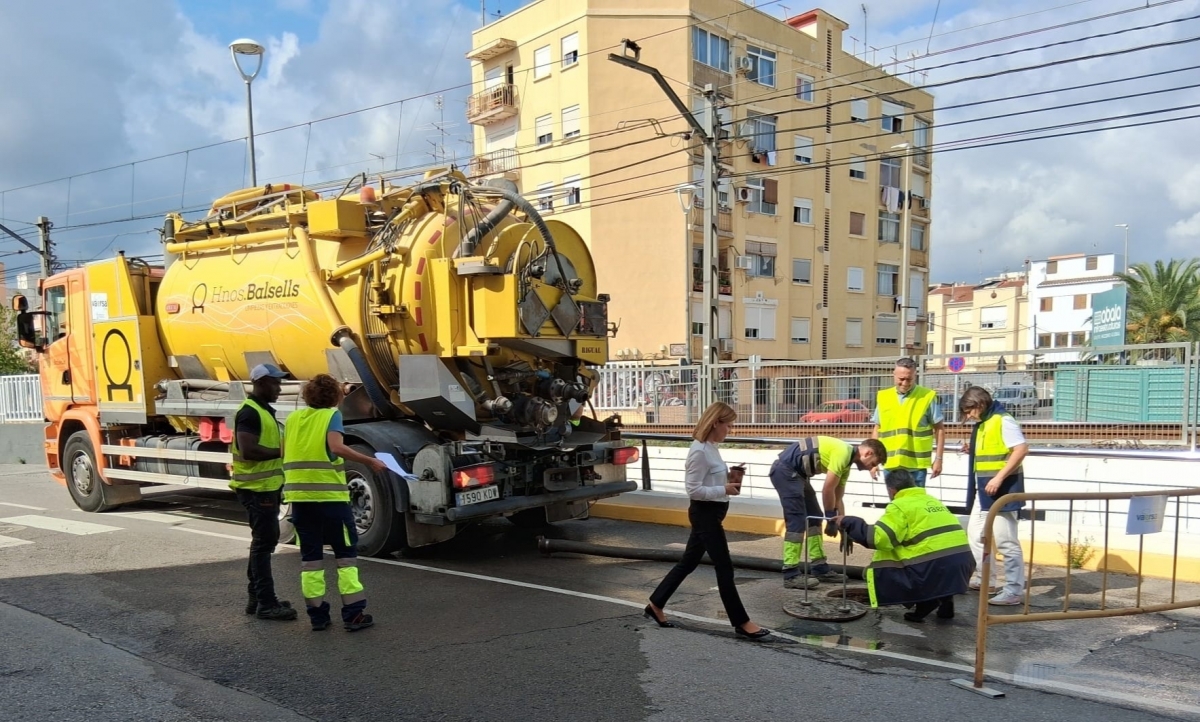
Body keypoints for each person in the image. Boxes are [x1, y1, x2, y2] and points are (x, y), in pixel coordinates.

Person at [645, 402, 771, 641]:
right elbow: (693, 490)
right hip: (705, 515)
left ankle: (655, 604)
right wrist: (723, 488)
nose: (731, 430)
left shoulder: (712, 447)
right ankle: (741, 622)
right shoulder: (699, 451)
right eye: (728, 425)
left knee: (688, 563)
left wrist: (729, 478)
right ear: (715, 423)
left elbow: (708, 481)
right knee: (724, 566)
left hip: (713, 513)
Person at [282, 374, 388, 631]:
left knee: (311, 561)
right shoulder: (331, 415)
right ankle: (353, 615)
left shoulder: (293, 419)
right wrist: (370, 461)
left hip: (300, 501)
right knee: (345, 557)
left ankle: (317, 617)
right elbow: (336, 447)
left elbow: (284, 452)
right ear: (336, 397)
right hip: (330, 501)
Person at [834, 468, 975, 622]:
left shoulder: (899, 505)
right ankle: (945, 600)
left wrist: (850, 522)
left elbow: (880, 539)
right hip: (963, 563)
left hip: (935, 568)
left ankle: (927, 601)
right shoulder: (932, 500)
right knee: (928, 552)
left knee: (889, 559)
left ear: (891, 490)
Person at [768, 436, 887, 588]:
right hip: (786, 471)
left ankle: (819, 568)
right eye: (873, 464)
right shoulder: (843, 453)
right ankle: (791, 574)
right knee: (797, 520)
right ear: (868, 453)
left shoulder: (846, 465)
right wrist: (831, 518)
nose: (871, 468)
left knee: (814, 518)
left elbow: (838, 498)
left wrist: (843, 527)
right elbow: (827, 490)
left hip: (797, 474)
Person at [231, 363, 297, 621]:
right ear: (259, 383)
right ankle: (266, 604)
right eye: (274, 383)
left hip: (264, 488)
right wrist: (284, 451)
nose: (279, 388)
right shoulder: (250, 412)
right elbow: (248, 450)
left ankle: (257, 599)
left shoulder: (262, 411)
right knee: (263, 545)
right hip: (257, 490)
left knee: (263, 543)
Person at [960, 385, 1029, 606]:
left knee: (1006, 540)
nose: (969, 416)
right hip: (985, 491)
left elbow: (1021, 449)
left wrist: (998, 478)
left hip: (1002, 491)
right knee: (976, 535)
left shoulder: (1003, 420)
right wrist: (971, 450)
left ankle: (1013, 590)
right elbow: (993, 451)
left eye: (970, 411)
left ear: (980, 404)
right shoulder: (985, 422)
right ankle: (986, 579)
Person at [871, 357, 945, 488]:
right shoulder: (884, 397)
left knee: (915, 500)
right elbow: (877, 429)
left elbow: (939, 429)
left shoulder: (927, 396)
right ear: (894, 375)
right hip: (890, 465)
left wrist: (939, 459)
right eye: (901, 379)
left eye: (909, 379)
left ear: (915, 376)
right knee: (897, 501)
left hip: (916, 467)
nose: (905, 383)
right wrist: (873, 461)